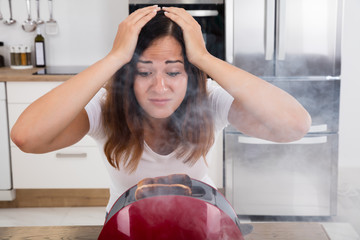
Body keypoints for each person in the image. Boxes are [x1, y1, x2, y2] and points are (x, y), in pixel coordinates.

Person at [10, 6, 311, 213]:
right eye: (143, 72)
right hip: (127, 223)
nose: (159, 87)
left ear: (190, 75)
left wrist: (205, 59)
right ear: (128, 76)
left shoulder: (207, 100)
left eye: (173, 71)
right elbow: (26, 137)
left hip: (203, 220)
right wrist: (114, 58)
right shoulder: (107, 108)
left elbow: (295, 126)